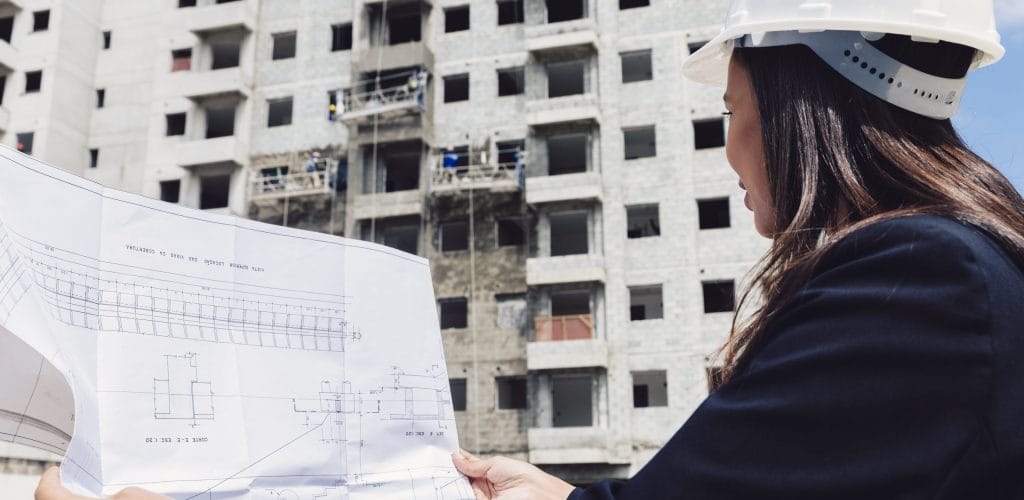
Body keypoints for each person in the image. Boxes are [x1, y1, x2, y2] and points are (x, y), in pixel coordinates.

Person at [36, 1, 1024, 499]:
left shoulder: (918, 283)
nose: (728, 147)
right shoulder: (961, 271)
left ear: (796, 104)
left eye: (728, 108)